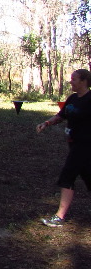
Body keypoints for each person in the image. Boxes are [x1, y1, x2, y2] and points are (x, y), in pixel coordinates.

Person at [36, 69, 91, 226]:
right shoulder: (73, 98)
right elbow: (62, 115)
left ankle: (59, 217)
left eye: (74, 79)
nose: (70, 81)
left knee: (67, 176)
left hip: (86, 146)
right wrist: (46, 123)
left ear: (83, 81)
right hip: (74, 145)